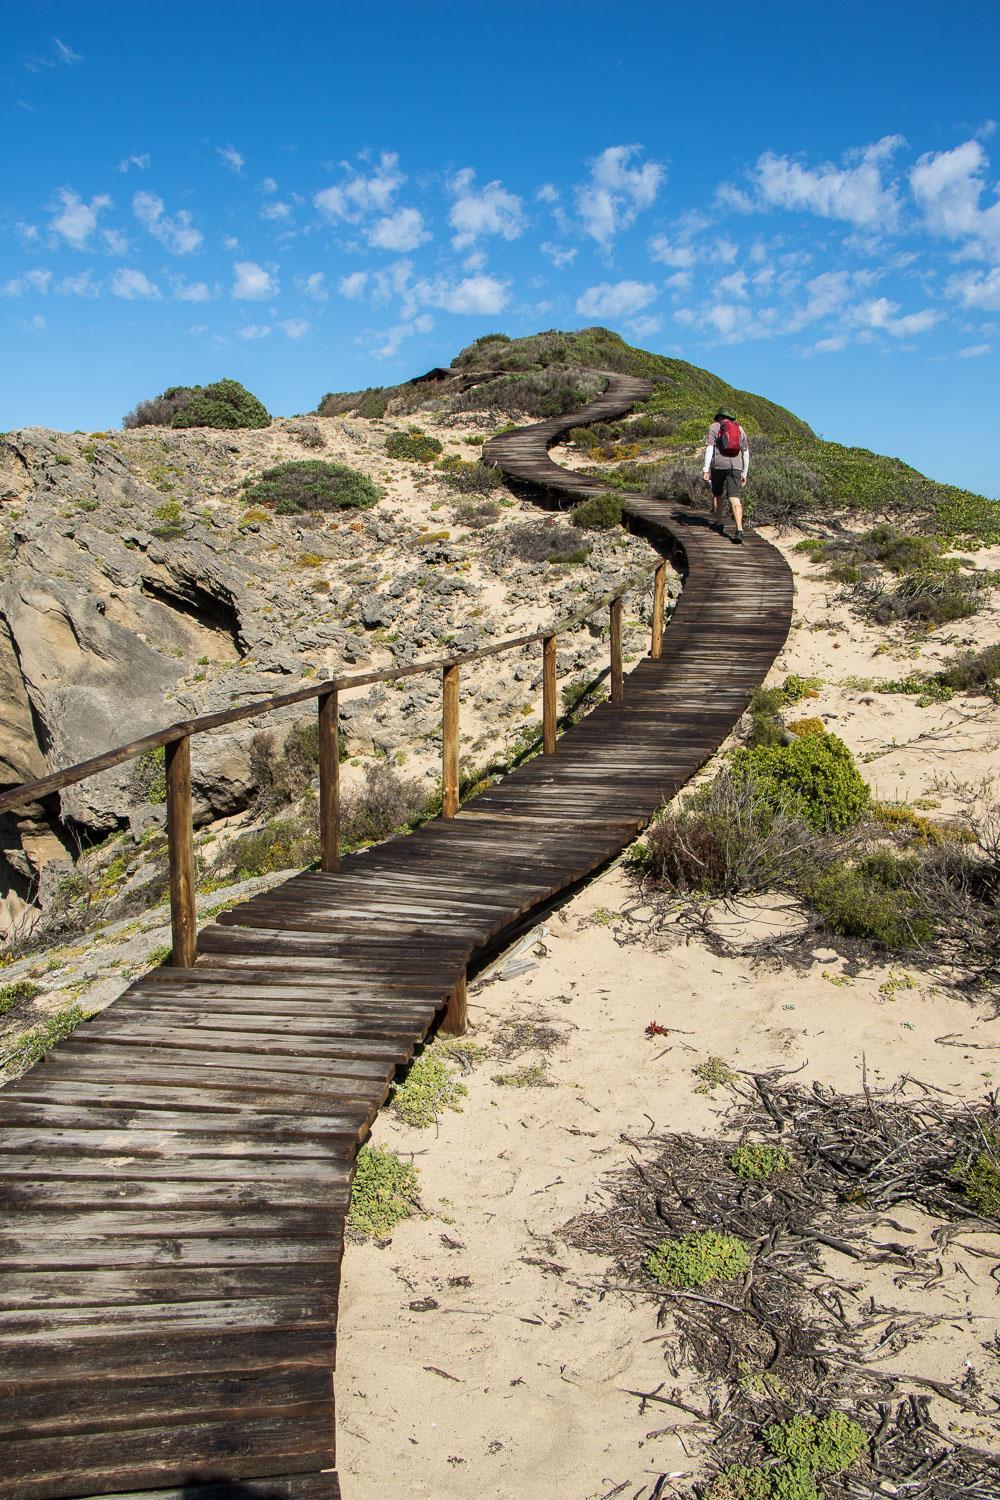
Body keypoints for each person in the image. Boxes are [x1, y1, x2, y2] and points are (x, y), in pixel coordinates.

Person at [702, 406, 749, 544]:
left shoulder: (714, 427)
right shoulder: (740, 429)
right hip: (736, 467)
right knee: (735, 498)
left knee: (717, 494)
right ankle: (739, 529)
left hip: (718, 466)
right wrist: (745, 472)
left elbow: (710, 448)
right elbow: (745, 452)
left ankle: (719, 522)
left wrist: (706, 469)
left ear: (719, 417)